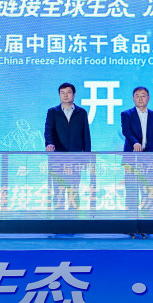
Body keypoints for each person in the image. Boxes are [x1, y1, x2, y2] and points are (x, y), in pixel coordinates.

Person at [44, 83, 91, 211]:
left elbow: (86, 135)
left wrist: (86, 158)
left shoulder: (81, 112)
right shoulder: (52, 112)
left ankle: (74, 218)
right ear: (59, 95)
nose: (65, 95)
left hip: (75, 157)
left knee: (74, 189)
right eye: (62, 93)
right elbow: (48, 131)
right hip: (58, 157)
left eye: (68, 92)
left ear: (74, 95)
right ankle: (58, 218)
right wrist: (49, 144)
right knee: (58, 189)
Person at [120, 86, 153, 211]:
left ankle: (147, 219)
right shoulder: (126, 114)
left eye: (143, 96)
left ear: (148, 98)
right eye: (137, 96)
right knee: (131, 191)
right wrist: (135, 143)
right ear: (133, 99)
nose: (140, 98)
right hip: (132, 159)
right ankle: (130, 219)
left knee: (148, 192)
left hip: (150, 160)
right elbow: (126, 131)